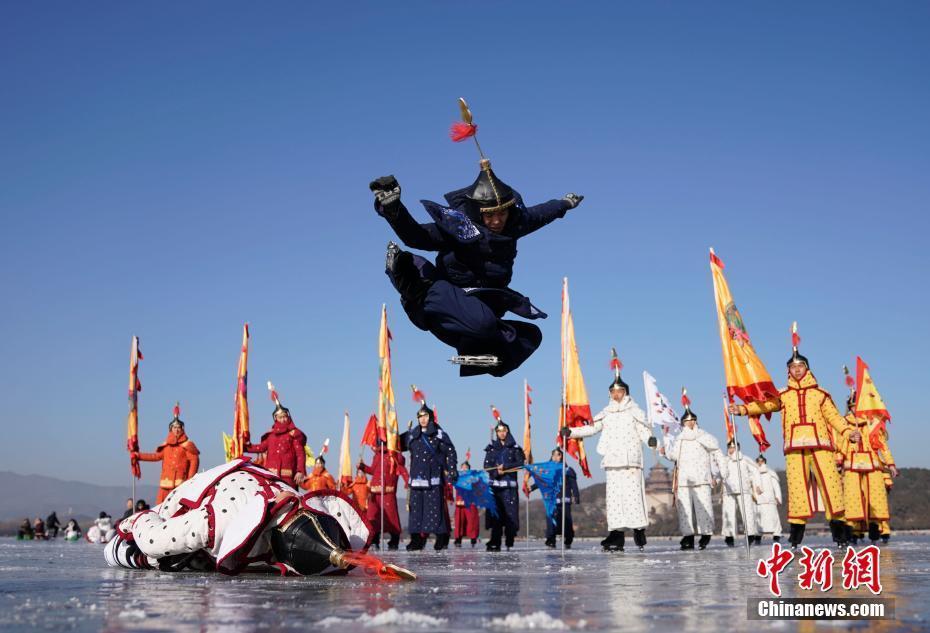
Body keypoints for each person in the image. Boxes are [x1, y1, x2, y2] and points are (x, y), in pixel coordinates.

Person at [370, 101, 583, 378]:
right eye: (489, 216)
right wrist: (394, 209)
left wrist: (564, 204)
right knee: (481, 323)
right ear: (478, 213)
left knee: (530, 335)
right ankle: (413, 286)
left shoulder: (515, 224)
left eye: (501, 214)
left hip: (484, 300)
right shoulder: (459, 228)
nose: (496, 221)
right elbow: (417, 236)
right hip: (444, 294)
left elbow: (542, 213)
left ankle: (475, 359)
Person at [104, 458, 413, 580]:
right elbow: (154, 539)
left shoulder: (286, 491)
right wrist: (137, 524)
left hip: (223, 510)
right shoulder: (217, 523)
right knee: (157, 556)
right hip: (183, 505)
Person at [730, 331, 856, 548]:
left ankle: (841, 535)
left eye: (800, 367)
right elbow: (764, 405)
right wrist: (741, 409)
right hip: (794, 448)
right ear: (788, 370)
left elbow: (834, 417)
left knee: (832, 487)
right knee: (798, 491)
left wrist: (847, 431)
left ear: (807, 369)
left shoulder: (820, 394)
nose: (797, 370)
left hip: (821, 446)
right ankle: (796, 538)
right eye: (793, 367)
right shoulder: (783, 394)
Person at [562, 356, 656, 551]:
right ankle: (616, 534)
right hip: (612, 460)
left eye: (619, 391)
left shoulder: (635, 412)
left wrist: (651, 441)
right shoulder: (607, 412)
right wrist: (571, 432)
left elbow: (645, 432)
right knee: (614, 500)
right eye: (613, 391)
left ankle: (639, 529)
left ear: (626, 392)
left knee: (633, 497)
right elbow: (591, 428)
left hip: (631, 461)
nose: (616, 394)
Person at [665, 397, 727, 550]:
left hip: (702, 478)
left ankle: (706, 534)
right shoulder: (680, 440)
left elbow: (718, 453)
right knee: (684, 508)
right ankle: (688, 536)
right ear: (683, 424)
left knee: (704, 507)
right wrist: (666, 439)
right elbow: (672, 456)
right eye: (687, 421)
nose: (691, 423)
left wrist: (722, 471)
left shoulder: (705, 437)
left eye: (693, 420)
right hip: (684, 480)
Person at [399, 393, 458, 551]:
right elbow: (395, 444)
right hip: (416, 479)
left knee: (435, 511)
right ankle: (416, 540)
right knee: (416, 512)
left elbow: (450, 452)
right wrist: (383, 437)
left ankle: (441, 539)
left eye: (425, 416)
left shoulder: (439, 434)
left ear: (430, 417)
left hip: (433, 479)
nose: (422, 419)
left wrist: (452, 470)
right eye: (420, 416)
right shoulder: (412, 434)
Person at [840, 392, 898, 544]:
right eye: (853, 407)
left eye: (858, 407)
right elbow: (839, 444)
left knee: (875, 500)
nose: (855, 410)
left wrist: (890, 463)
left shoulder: (874, 423)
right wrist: (838, 461)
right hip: (851, 465)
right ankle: (851, 533)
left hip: (873, 465)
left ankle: (874, 534)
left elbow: (883, 446)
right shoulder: (843, 423)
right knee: (852, 500)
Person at [134, 402, 200, 504]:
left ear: (182, 429)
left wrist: (190, 479)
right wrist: (138, 456)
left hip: (180, 483)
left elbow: (194, 460)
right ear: (170, 429)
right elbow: (155, 456)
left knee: (178, 508)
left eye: (179, 427)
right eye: (174, 427)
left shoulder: (187, 445)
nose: (176, 430)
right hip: (165, 483)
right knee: (160, 508)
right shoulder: (166, 446)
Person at [244, 385, 308, 488]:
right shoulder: (271, 435)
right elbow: (260, 448)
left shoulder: (293, 434)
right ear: (275, 418)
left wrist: (300, 471)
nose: (283, 419)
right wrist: (244, 447)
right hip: (271, 476)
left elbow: (300, 454)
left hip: (288, 477)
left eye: (285, 417)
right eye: (280, 417)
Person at [358, 439, 410, 550]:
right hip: (374, 492)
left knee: (392, 518)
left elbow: (401, 468)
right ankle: (374, 540)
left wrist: (407, 481)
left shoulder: (394, 455)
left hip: (388, 492)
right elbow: (373, 470)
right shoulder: (377, 455)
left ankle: (394, 540)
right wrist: (363, 467)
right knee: (373, 517)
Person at [483, 418, 526, 551]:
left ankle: (509, 540)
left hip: (509, 488)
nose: (501, 433)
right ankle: (495, 541)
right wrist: (497, 471)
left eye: (504, 431)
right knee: (496, 516)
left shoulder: (515, 448)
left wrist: (505, 467)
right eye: (499, 431)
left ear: (507, 431)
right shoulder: (491, 449)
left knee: (510, 515)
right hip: (495, 487)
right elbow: (486, 466)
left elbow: (520, 464)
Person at [532, 447, 580, 549]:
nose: (555, 457)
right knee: (551, 521)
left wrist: (576, 496)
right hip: (552, 501)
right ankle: (550, 541)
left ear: (561, 456)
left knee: (566, 522)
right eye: (553, 455)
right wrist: (530, 488)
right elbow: (541, 482)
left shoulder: (567, 470)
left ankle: (568, 540)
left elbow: (573, 485)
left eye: (558, 455)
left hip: (564, 501)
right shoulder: (548, 471)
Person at [720, 441, 762, 547]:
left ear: (738, 448)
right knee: (728, 514)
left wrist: (758, 485)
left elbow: (756, 471)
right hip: (728, 491)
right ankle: (729, 537)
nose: (732, 449)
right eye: (730, 447)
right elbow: (718, 473)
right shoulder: (724, 461)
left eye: (734, 447)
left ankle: (750, 535)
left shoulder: (745, 459)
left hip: (744, 489)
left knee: (747, 513)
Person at [755, 454, 783, 543]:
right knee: (759, 520)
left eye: (761, 461)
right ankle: (757, 539)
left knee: (774, 519)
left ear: (764, 462)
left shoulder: (771, 473)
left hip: (770, 500)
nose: (760, 463)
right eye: (758, 461)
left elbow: (776, 487)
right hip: (759, 500)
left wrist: (778, 497)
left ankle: (777, 537)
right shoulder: (754, 474)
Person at [453, 461, 480, 547]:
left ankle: (473, 539)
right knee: (459, 522)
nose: (464, 469)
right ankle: (458, 539)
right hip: (459, 503)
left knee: (472, 521)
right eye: (462, 467)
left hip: (470, 503)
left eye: (466, 467)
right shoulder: (458, 477)